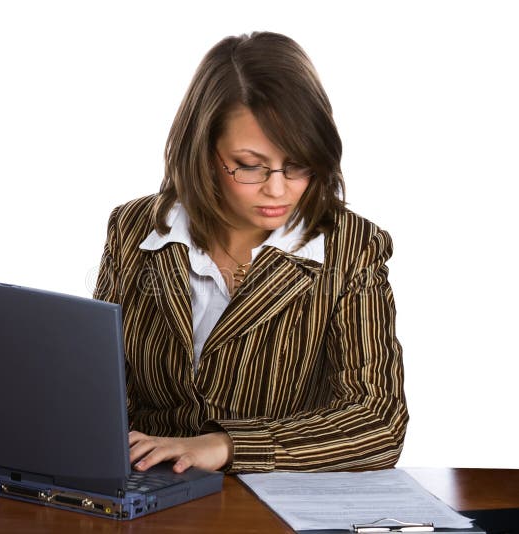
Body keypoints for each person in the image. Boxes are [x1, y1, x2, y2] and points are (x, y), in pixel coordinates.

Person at [93, 31, 408, 474]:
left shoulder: (352, 248)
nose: (277, 189)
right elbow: (101, 385)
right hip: (149, 487)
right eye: (248, 165)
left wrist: (226, 445)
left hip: (275, 496)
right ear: (203, 153)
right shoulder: (135, 229)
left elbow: (378, 421)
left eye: (298, 164)